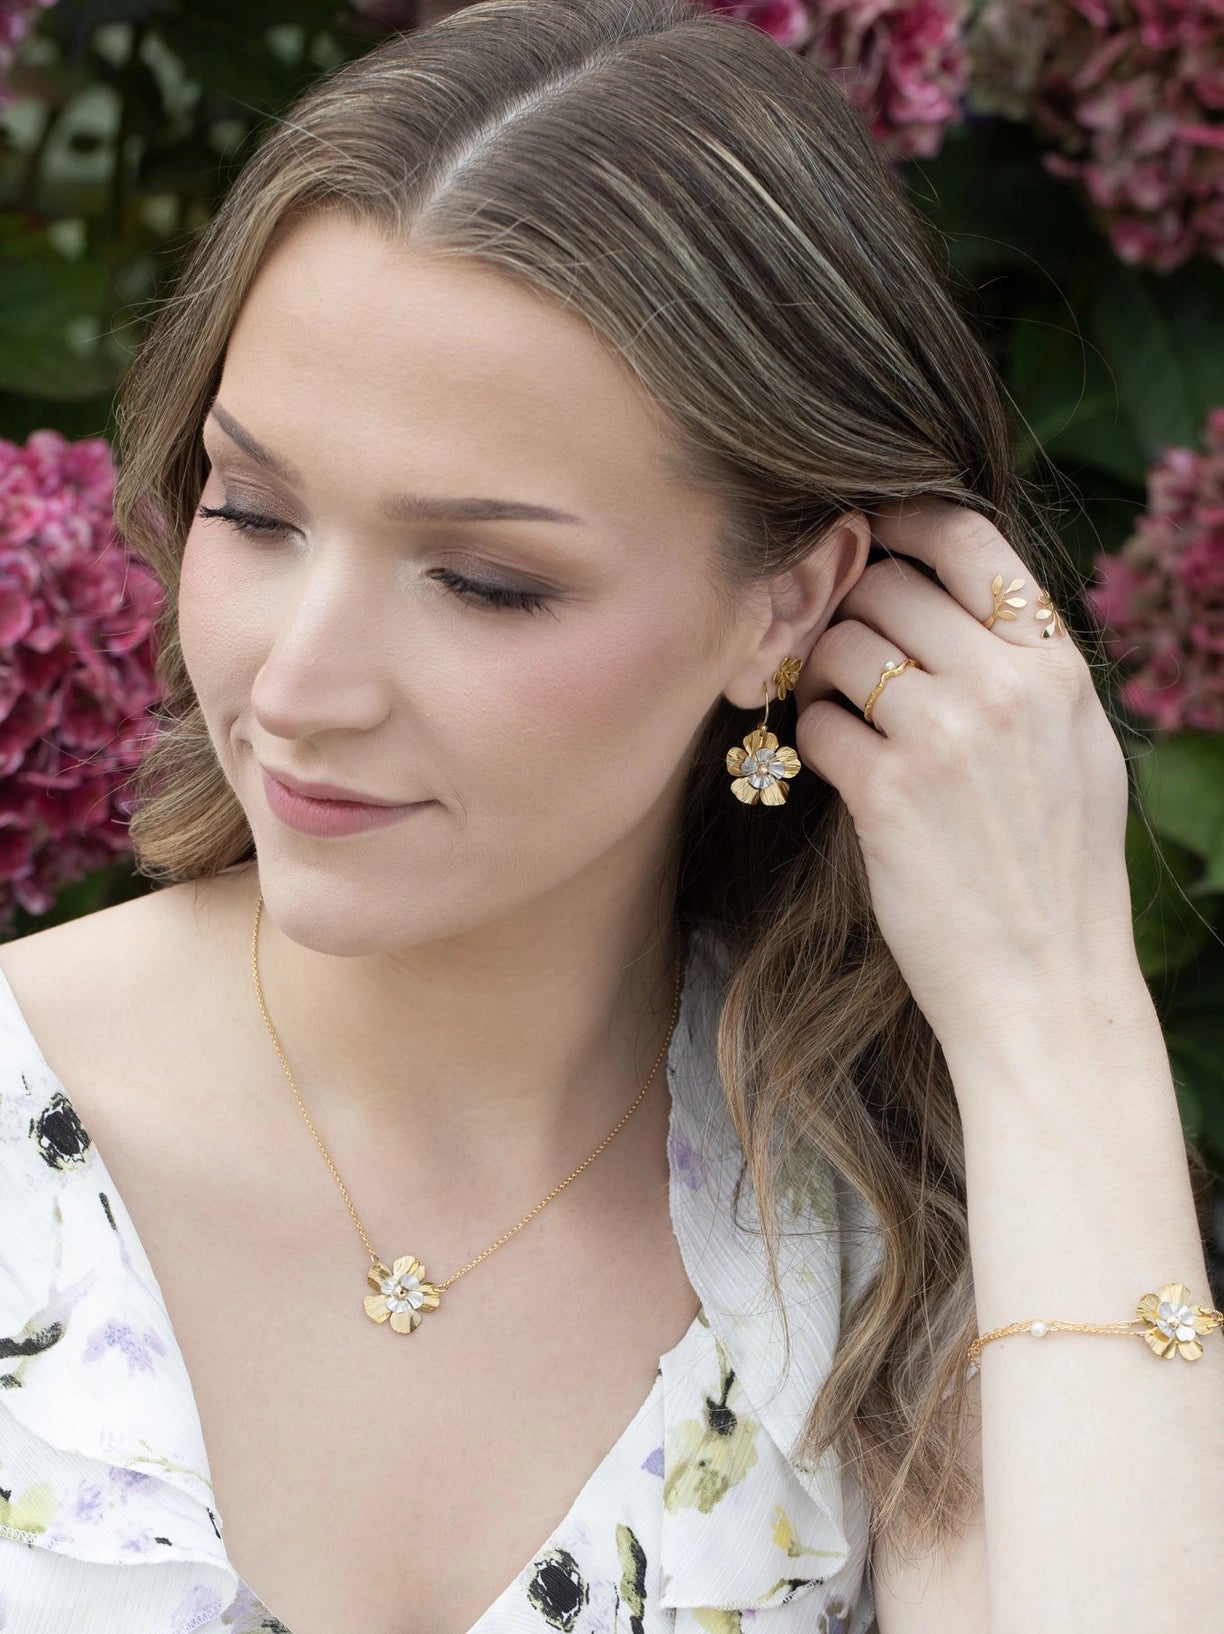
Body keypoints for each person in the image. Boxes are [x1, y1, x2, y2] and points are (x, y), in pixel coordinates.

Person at [1, 1, 1220, 1631]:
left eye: (487, 580)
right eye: (256, 509)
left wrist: (1054, 1005)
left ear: (788, 605)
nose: (297, 684)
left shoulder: (893, 1234)